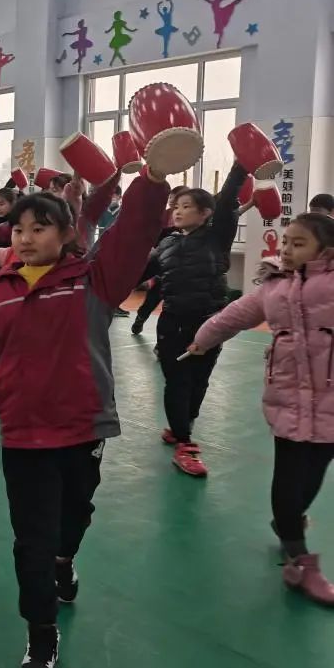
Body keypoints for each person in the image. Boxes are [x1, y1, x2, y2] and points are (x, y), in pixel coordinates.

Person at [0, 169, 170, 668]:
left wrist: (153, 178)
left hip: (82, 428)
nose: (25, 238)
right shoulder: (2, 290)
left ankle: (65, 559)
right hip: (23, 434)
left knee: (74, 514)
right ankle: (41, 631)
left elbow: (133, 234)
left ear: (65, 233)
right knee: (31, 540)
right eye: (18, 229)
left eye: (39, 228)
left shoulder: (93, 282)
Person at [189, 213, 334, 605]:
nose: (286, 250)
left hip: (330, 403)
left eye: (298, 244)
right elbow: (235, 314)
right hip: (288, 399)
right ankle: (299, 561)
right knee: (289, 477)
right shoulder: (274, 287)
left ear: (326, 251)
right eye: (286, 241)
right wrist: (204, 338)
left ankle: (287, 523)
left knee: (314, 473)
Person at [154, 163, 247, 477]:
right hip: (171, 323)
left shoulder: (217, 237)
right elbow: (133, 272)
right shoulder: (166, 243)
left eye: (186, 206)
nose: (177, 211)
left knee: (199, 380)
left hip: (209, 324)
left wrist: (240, 165)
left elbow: (229, 199)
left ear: (206, 213)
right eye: (176, 206)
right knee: (177, 381)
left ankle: (183, 424)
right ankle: (184, 442)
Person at [131, 185, 189, 335]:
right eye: (171, 198)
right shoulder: (163, 216)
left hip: (177, 268)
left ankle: (163, 336)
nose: (172, 201)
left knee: (164, 297)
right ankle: (140, 317)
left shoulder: (190, 222)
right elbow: (150, 235)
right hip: (158, 260)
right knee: (148, 289)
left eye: (177, 200)